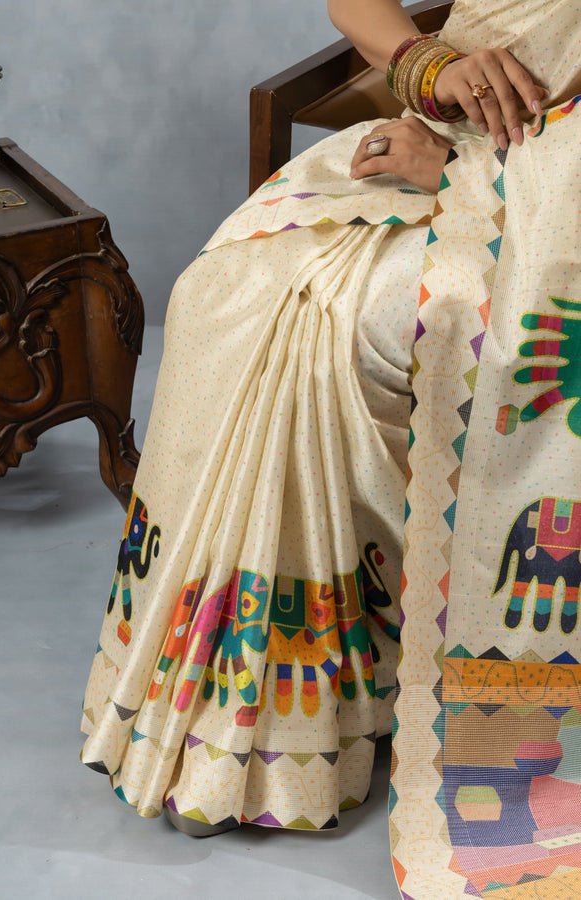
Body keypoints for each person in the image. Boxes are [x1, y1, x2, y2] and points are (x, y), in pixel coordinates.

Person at [81, 0, 581, 896]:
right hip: (451, 137)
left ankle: (307, 723)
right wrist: (421, 62)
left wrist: (482, 175)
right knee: (223, 293)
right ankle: (240, 716)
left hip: (550, 214)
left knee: (347, 342)